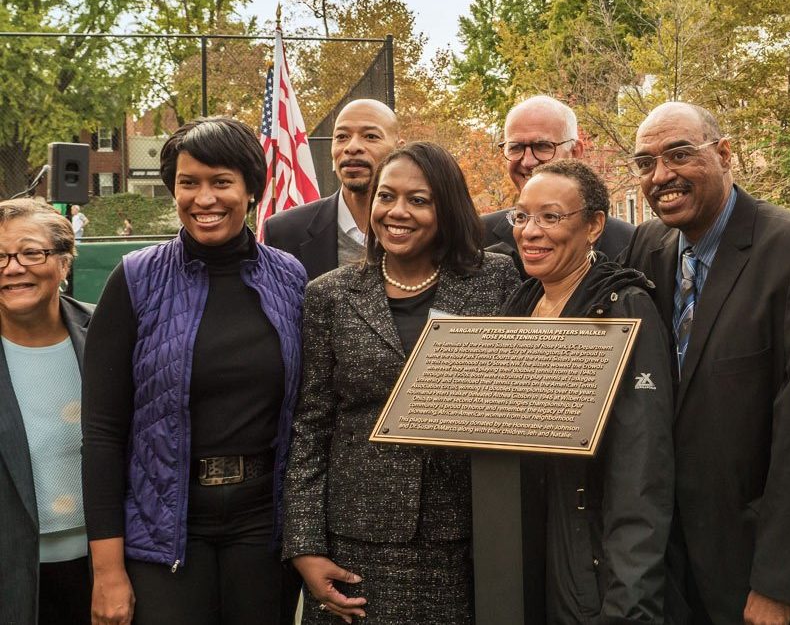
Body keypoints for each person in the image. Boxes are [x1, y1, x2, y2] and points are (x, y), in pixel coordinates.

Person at [621, 102, 790, 625]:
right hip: (672, 567)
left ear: (725, 153)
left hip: (758, 570)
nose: (661, 175)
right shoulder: (650, 247)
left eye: (679, 154)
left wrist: (778, 583)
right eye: (645, 163)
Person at [82, 116, 308, 625]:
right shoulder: (136, 279)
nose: (204, 198)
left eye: (221, 182)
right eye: (189, 183)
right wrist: (108, 571)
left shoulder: (289, 277)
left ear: (251, 188)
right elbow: (101, 434)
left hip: (263, 526)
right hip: (163, 530)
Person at [283, 141, 520, 624]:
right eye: (385, 197)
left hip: (464, 538)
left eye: (419, 200)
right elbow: (309, 428)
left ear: (447, 207)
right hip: (355, 541)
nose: (397, 212)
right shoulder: (329, 295)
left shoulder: (495, 280)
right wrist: (305, 545)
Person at [501, 158, 675, 623]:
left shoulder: (624, 308)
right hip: (525, 551)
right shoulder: (519, 304)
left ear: (594, 226)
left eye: (551, 217)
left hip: (591, 563)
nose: (530, 232)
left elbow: (642, 468)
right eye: (521, 216)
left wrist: (628, 603)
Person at [0, 199, 93, 624]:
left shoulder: (109, 333)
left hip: (104, 568)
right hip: (10, 576)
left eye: (31, 252)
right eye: (0, 256)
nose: (12, 267)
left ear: (64, 262)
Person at [482, 95, 634, 277]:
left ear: (575, 152)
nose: (528, 161)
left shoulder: (630, 245)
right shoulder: (477, 236)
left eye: (542, 146)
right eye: (515, 147)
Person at [265, 99, 405, 280]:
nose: (352, 147)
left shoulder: (429, 229)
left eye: (370, 136)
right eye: (341, 137)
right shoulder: (284, 232)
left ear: (399, 149)